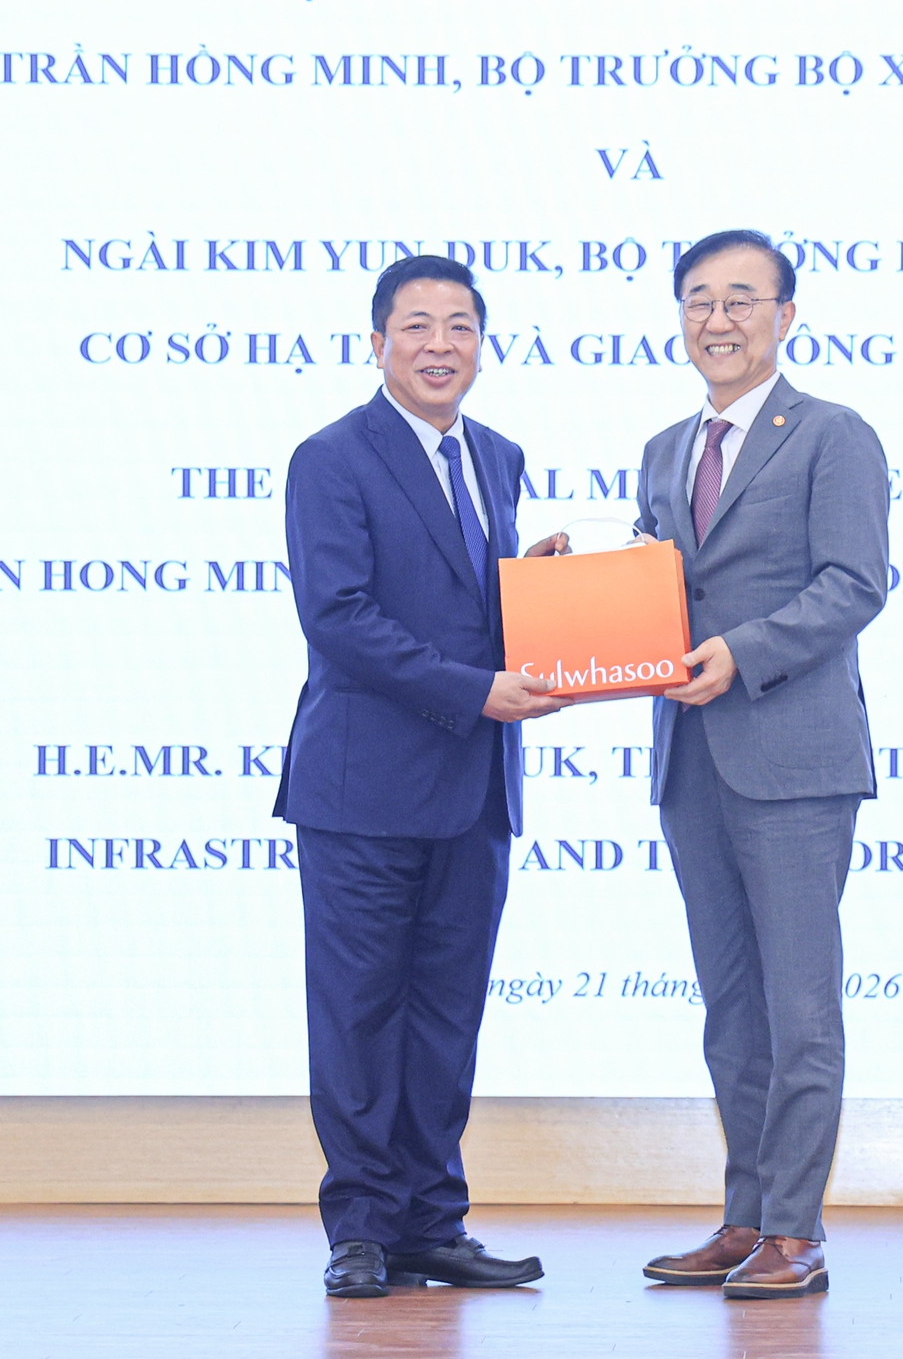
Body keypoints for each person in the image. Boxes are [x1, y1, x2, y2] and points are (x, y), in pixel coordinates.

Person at [273, 254, 568, 1298]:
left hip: (473, 787)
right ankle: (360, 1226)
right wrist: (475, 687)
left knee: (447, 1015)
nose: (440, 344)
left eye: (460, 326)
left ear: (481, 343)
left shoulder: (497, 455)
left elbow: (467, 605)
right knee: (359, 1013)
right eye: (417, 325)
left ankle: (431, 1223)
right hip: (363, 788)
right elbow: (340, 618)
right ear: (378, 342)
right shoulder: (330, 458)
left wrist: (544, 591)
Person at [631, 230, 890, 1299]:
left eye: (742, 298)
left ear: (786, 316)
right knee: (731, 1009)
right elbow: (654, 588)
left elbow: (854, 583)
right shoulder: (662, 450)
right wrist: (567, 586)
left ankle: (795, 1228)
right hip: (691, 759)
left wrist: (743, 652)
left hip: (792, 757)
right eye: (699, 299)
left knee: (799, 1009)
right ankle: (745, 1215)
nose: (719, 319)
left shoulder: (832, 434)